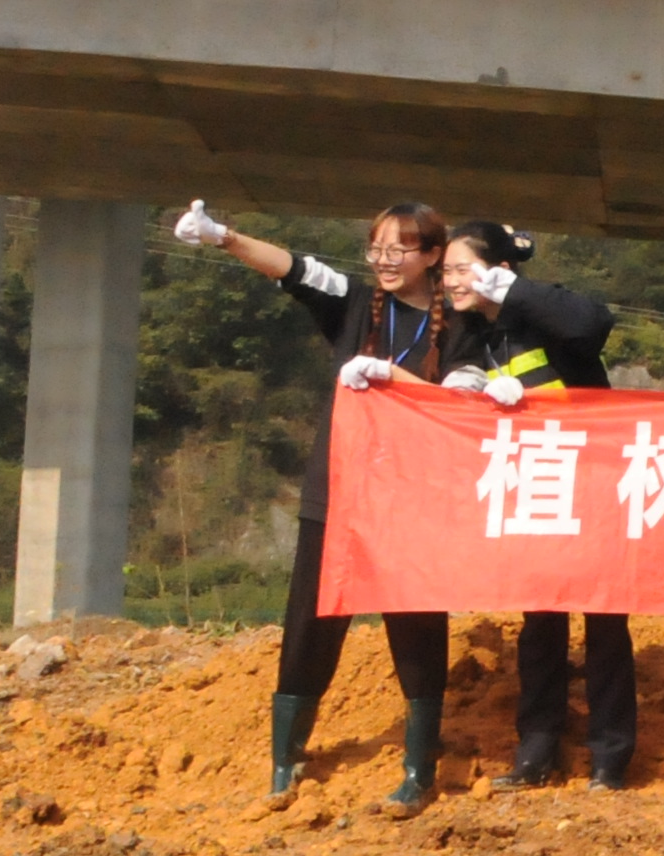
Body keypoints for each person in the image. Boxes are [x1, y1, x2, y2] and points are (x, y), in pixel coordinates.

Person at [173, 195, 457, 810]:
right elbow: (294, 269)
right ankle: (287, 757)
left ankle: (419, 766)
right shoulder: (356, 306)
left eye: (400, 249)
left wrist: (396, 378)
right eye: (376, 248)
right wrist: (224, 237)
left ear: (433, 255)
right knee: (310, 620)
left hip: (412, 500)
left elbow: (464, 401)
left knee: (416, 625)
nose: (384, 259)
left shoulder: (458, 323)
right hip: (340, 490)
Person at [435, 221, 636, 792]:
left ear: (499, 271)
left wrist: (513, 291)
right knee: (540, 623)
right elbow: (453, 378)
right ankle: (537, 751)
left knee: (604, 623)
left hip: (592, 482)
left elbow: (593, 324)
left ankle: (610, 756)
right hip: (534, 488)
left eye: (463, 269)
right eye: (446, 272)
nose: (452, 282)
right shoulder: (468, 330)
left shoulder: (543, 312)